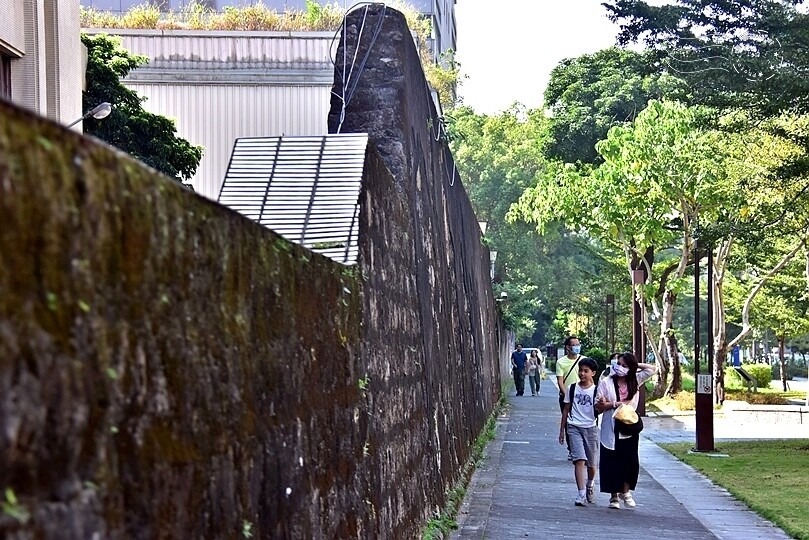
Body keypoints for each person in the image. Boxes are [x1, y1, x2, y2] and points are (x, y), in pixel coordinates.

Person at [594, 352, 656, 509]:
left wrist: (635, 366)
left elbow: (651, 369)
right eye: (618, 364)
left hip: (629, 425)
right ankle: (613, 496)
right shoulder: (606, 382)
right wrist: (610, 403)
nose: (620, 368)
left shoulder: (635, 380)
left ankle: (626, 490)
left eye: (624, 365)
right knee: (611, 461)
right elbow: (599, 406)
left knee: (630, 461)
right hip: (611, 425)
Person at [558, 357, 600, 506]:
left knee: (592, 464)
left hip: (590, 428)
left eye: (586, 371)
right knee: (579, 460)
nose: (582, 374)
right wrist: (562, 431)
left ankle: (590, 484)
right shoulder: (572, 388)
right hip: (573, 426)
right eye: (580, 370)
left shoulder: (597, 390)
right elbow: (566, 410)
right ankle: (581, 493)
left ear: (593, 373)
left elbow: (600, 408)